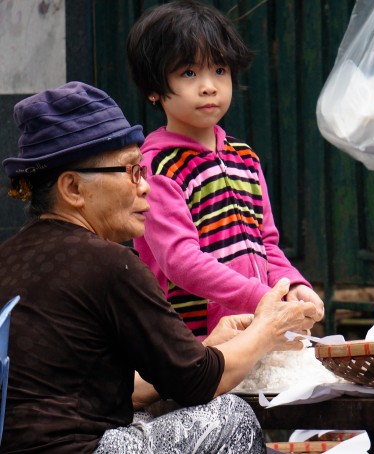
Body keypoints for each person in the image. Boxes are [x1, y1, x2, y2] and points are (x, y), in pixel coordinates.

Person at [0, 81, 318, 453]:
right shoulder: (110, 263)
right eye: (133, 171)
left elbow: (116, 387)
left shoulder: (9, 256)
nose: (146, 187)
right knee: (230, 416)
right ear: (72, 189)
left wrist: (206, 348)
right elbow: (198, 383)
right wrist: (267, 327)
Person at [125, 0, 324, 337]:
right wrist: (262, 299)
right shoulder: (157, 166)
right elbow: (180, 261)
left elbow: (267, 245)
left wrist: (292, 286)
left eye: (219, 70)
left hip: (255, 330)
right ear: (154, 90)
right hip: (192, 343)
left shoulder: (244, 157)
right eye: (188, 72)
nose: (209, 86)